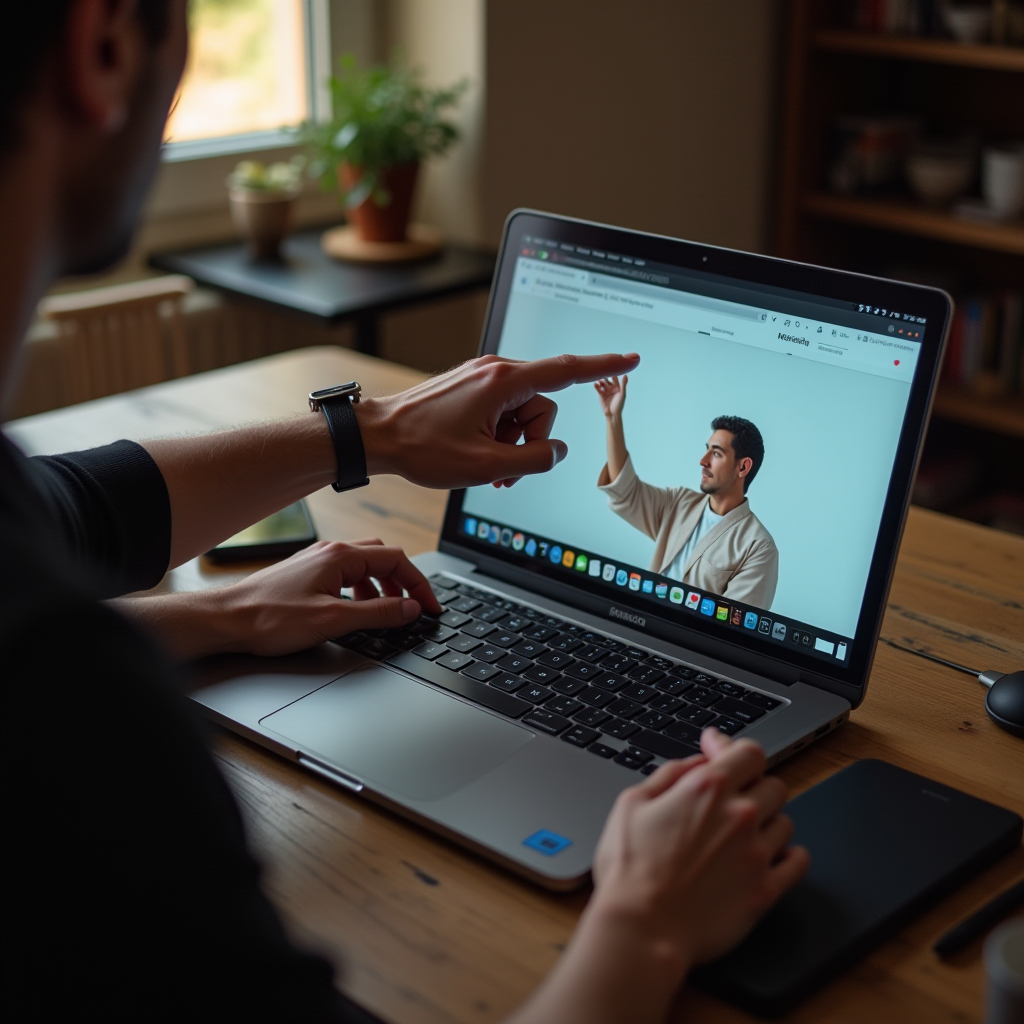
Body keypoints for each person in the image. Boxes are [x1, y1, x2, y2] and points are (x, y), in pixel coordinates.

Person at [0, 4, 807, 1022]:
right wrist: (644, 924)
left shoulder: (46, 637)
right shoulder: (71, 714)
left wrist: (228, 604)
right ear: (102, 45)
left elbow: (59, 509)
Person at [594, 374, 779, 608]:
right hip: (640, 621)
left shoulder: (758, 547)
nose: (703, 461)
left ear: (743, 467)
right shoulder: (679, 503)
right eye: (706, 450)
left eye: (717, 453)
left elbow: (734, 631)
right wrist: (612, 419)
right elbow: (625, 491)